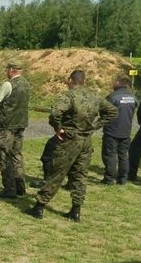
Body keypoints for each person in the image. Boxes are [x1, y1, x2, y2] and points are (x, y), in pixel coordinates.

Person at [25, 70, 117, 222]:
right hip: (86, 140)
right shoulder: (94, 96)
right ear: (84, 81)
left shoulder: (69, 96)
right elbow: (112, 111)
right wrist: (95, 125)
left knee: (57, 173)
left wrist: (58, 128)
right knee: (80, 175)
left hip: (69, 139)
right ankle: (76, 210)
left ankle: (39, 206)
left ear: (70, 80)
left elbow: (55, 113)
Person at [0, 61, 30, 198]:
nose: (6, 72)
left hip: (6, 126)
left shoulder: (8, 84)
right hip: (20, 124)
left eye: (7, 69)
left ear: (12, 70)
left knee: (4, 157)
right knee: (17, 156)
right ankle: (20, 187)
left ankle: (9, 189)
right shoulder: (26, 83)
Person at [101, 75, 138, 185]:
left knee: (110, 155)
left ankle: (109, 179)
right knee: (123, 155)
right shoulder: (133, 97)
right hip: (126, 130)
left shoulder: (112, 97)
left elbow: (103, 111)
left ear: (117, 82)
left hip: (112, 131)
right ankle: (123, 179)